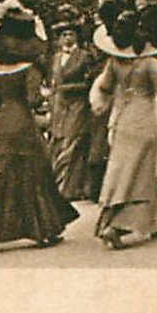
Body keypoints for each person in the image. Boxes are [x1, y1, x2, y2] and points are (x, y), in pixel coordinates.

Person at [0, 0, 79, 254]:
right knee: (34, 174)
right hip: (22, 121)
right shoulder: (29, 67)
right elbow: (32, 99)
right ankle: (43, 229)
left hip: (0, 122)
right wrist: (46, 95)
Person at [91, 4, 157, 249]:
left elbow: (104, 90)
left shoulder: (114, 63)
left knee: (122, 173)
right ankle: (118, 227)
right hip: (144, 125)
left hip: (121, 124)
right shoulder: (150, 64)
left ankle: (154, 223)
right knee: (142, 175)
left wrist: (100, 108)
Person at [47, 11, 101, 201]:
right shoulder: (55, 58)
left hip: (78, 105)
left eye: (71, 34)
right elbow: (53, 82)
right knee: (58, 141)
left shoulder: (85, 56)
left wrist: (67, 88)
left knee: (73, 143)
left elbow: (91, 83)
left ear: (77, 36)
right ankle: (57, 185)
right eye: (63, 35)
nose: (67, 38)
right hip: (59, 106)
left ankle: (71, 188)